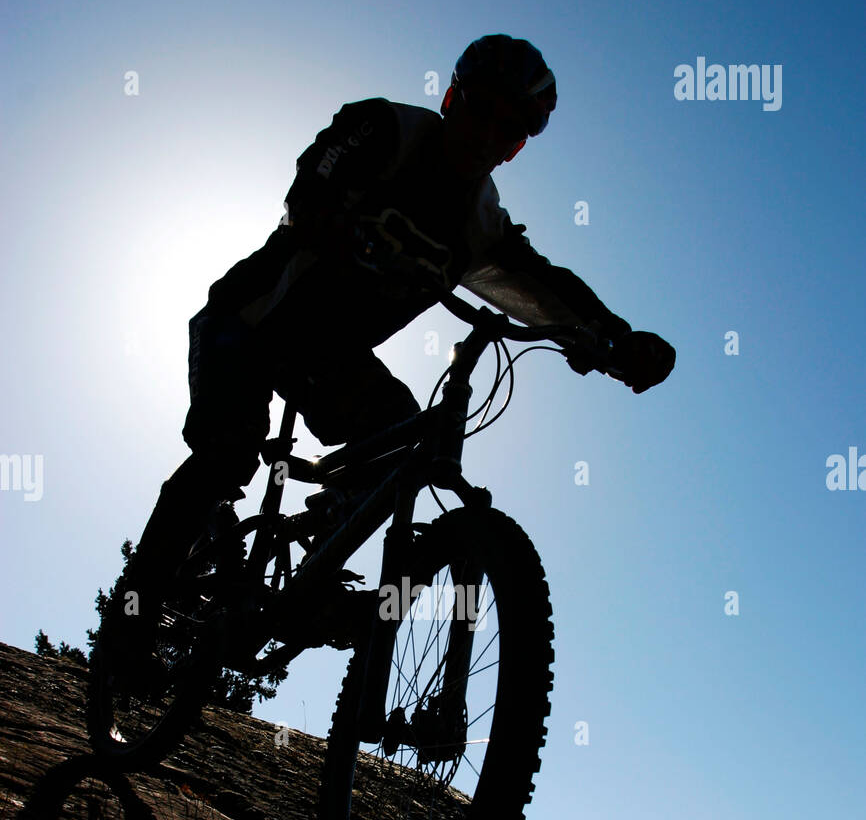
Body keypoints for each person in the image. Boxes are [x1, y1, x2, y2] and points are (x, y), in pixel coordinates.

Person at [108, 34, 675, 664]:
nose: (488, 135)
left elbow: (542, 285)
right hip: (247, 320)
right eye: (480, 110)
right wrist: (329, 214)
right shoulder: (386, 129)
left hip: (325, 356)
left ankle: (314, 573)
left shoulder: (479, 221)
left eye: (509, 129)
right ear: (452, 98)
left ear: (518, 146)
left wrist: (613, 339)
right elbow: (313, 182)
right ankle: (131, 615)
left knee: (407, 438)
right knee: (228, 453)